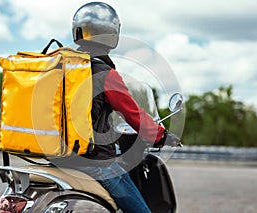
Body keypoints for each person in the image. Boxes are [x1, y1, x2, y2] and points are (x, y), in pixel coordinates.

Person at [71, 2, 180, 213]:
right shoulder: (103, 72)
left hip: (55, 155)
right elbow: (133, 114)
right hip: (94, 161)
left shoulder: (62, 66)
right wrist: (161, 136)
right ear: (112, 33)